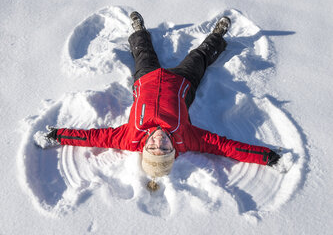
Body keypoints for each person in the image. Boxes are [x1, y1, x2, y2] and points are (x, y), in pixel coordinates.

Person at [34, 11, 281, 181]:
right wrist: (266, 157)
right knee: (200, 58)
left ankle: (138, 29)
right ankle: (218, 36)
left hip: (146, 78)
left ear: (146, 148)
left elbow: (93, 137)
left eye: (153, 147)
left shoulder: (130, 138)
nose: (159, 141)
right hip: (184, 80)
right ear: (173, 150)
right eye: (164, 147)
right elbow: (225, 147)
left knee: (142, 52)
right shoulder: (187, 139)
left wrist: (57, 135)